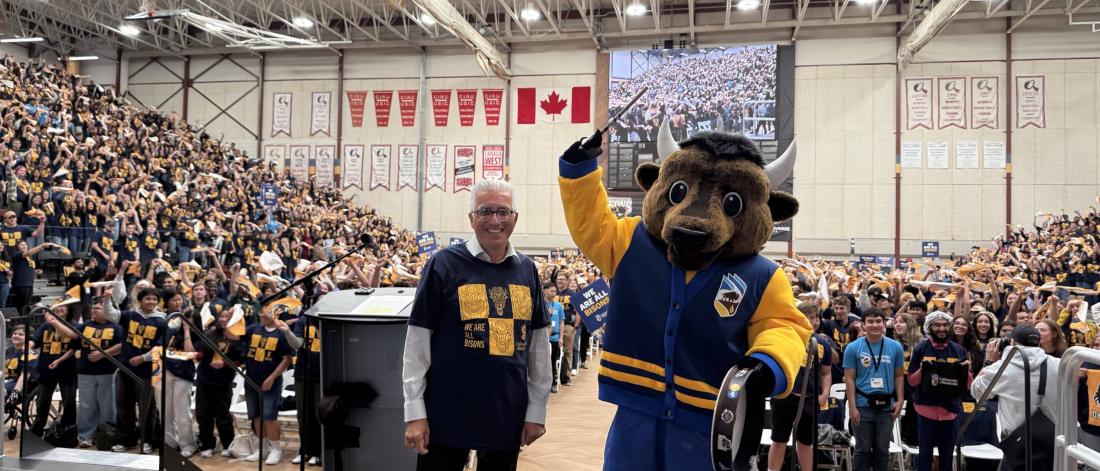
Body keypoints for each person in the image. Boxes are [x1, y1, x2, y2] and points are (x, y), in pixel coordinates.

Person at [402, 179, 551, 471]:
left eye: (503, 211)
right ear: (471, 218)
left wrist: (537, 410)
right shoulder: (442, 264)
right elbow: (417, 342)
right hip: (445, 413)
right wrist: (415, 412)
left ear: (515, 217)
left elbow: (538, 347)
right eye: (485, 211)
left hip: (506, 412)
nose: (495, 220)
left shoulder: (527, 269)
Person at [768, 302, 832, 471]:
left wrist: (825, 393)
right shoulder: (787, 339)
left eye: (816, 317)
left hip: (810, 400)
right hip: (785, 398)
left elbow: (826, 373)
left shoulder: (822, 343)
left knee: (805, 442)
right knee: (779, 439)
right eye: (810, 317)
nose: (815, 321)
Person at [907, 311, 972, 471]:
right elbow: (911, 381)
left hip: (950, 412)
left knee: (947, 457)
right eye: (937, 325)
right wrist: (924, 370)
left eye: (945, 325)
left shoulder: (959, 350)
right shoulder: (921, 349)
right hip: (925, 410)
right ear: (929, 327)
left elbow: (967, 386)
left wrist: (967, 372)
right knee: (924, 456)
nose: (942, 328)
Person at [972, 325, 1060, 441]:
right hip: (1050, 437)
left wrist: (988, 362)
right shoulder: (1058, 364)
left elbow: (976, 391)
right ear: (1038, 343)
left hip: (1016, 440)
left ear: (1012, 342)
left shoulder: (1001, 368)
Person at [843, 307, 905, 471]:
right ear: (863, 325)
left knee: (882, 451)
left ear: (884, 324)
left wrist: (899, 400)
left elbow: (899, 376)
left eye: (878, 321)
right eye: (870, 321)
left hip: (887, 407)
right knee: (862, 451)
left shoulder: (895, 347)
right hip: (862, 405)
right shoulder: (853, 348)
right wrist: (852, 407)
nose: (875, 325)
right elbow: (849, 379)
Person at [58, 298, 122, 448]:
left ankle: (107, 433)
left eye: (98, 308)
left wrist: (103, 354)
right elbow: (72, 334)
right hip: (85, 370)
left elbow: (121, 345)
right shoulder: (86, 325)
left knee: (107, 405)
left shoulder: (116, 327)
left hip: (107, 370)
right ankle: (86, 435)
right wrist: (55, 322)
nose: (93, 310)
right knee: (87, 405)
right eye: (93, 308)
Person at [113, 286, 166, 454]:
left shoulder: (163, 320)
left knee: (147, 409)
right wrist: (108, 298)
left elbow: (160, 348)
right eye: (147, 299)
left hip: (148, 371)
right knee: (124, 406)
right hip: (125, 368)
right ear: (140, 301)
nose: (151, 302)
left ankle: (147, 440)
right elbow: (111, 314)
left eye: (154, 299)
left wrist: (142, 358)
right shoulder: (130, 315)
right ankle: (125, 439)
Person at [240, 304, 294, 465]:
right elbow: (235, 336)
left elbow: (287, 359)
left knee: (269, 416)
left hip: (271, 381)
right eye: (261, 312)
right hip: (251, 379)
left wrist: (271, 378)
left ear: (274, 314)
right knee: (256, 415)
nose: (261, 315)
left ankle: (276, 449)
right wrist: (232, 319)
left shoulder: (281, 332)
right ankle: (261, 449)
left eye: (265, 312)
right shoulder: (253, 329)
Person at [194, 302, 240, 459]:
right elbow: (200, 351)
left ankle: (227, 444)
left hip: (223, 381)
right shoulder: (211, 333)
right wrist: (195, 356)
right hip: (204, 378)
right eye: (222, 316)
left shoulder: (236, 337)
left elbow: (241, 360)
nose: (223, 319)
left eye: (227, 317)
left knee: (223, 415)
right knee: (203, 414)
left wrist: (224, 364)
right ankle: (207, 444)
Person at [30, 304, 78, 438]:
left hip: (67, 369)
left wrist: (59, 361)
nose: (58, 309)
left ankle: (67, 430)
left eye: (63, 307)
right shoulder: (46, 326)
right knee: (42, 402)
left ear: (69, 309)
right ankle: (37, 431)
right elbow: (35, 341)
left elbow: (74, 348)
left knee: (69, 401)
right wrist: (29, 345)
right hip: (46, 369)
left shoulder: (73, 325)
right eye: (56, 308)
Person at [161, 289, 198, 457]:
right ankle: (169, 443)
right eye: (174, 300)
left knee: (182, 412)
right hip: (164, 370)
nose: (178, 303)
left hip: (183, 372)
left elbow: (191, 352)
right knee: (165, 411)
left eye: (180, 300)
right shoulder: (166, 322)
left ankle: (188, 444)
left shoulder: (192, 325)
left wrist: (187, 330)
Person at [544, 283, 564, 394]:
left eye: (555, 291)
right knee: (543, 362)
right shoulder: (540, 304)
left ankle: (553, 383)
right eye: (551, 291)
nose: (554, 293)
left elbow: (561, 321)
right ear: (545, 290)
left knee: (552, 361)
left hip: (555, 338)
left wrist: (561, 337)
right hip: (543, 338)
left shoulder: (558, 306)